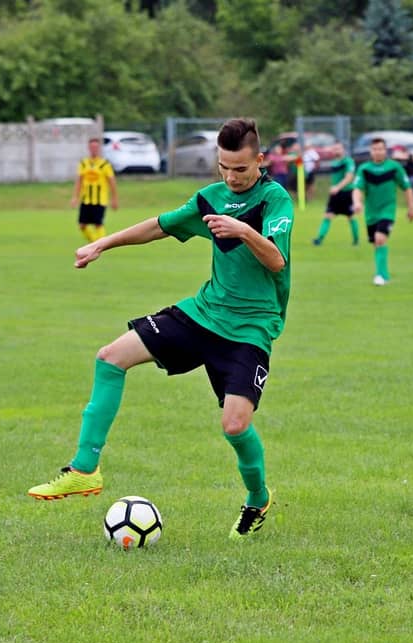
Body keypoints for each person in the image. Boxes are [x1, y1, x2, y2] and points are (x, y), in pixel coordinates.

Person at [29, 118, 293, 540]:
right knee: (110, 358)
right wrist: (102, 244)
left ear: (260, 160)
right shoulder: (211, 198)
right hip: (204, 313)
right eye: (223, 167)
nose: (231, 177)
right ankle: (84, 469)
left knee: (235, 426)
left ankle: (257, 498)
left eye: (240, 169)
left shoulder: (274, 199)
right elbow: (159, 225)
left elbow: (276, 261)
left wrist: (243, 231)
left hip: (251, 328)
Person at [352, 137, 413, 286]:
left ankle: (380, 275)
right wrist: (357, 202)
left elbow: (407, 187)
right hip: (371, 213)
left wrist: (411, 207)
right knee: (376, 243)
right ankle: (384, 274)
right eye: (375, 149)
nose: (378, 152)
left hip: (388, 210)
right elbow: (357, 188)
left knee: (380, 238)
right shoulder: (364, 169)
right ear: (370, 151)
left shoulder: (394, 167)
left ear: (385, 150)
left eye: (380, 149)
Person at [71, 137, 119, 243]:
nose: (94, 149)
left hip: (100, 200)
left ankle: (100, 245)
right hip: (86, 199)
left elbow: (112, 182)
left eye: (96, 147)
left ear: (99, 148)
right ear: (88, 148)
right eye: (92, 147)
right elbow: (79, 181)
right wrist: (75, 197)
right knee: (82, 225)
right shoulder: (83, 163)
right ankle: (95, 244)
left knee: (98, 224)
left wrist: (114, 199)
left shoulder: (105, 164)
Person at [312, 143, 359, 246]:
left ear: (343, 149)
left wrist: (337, 187)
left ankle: (356, 241)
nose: (336, 150)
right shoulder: (334, 162)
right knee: (328, 216)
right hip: (335, 194)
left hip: (346, 193)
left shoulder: (348, 161)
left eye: (338, 148)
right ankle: (319, 239)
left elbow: (349, 177)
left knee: (351, 216)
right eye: (335, 149)